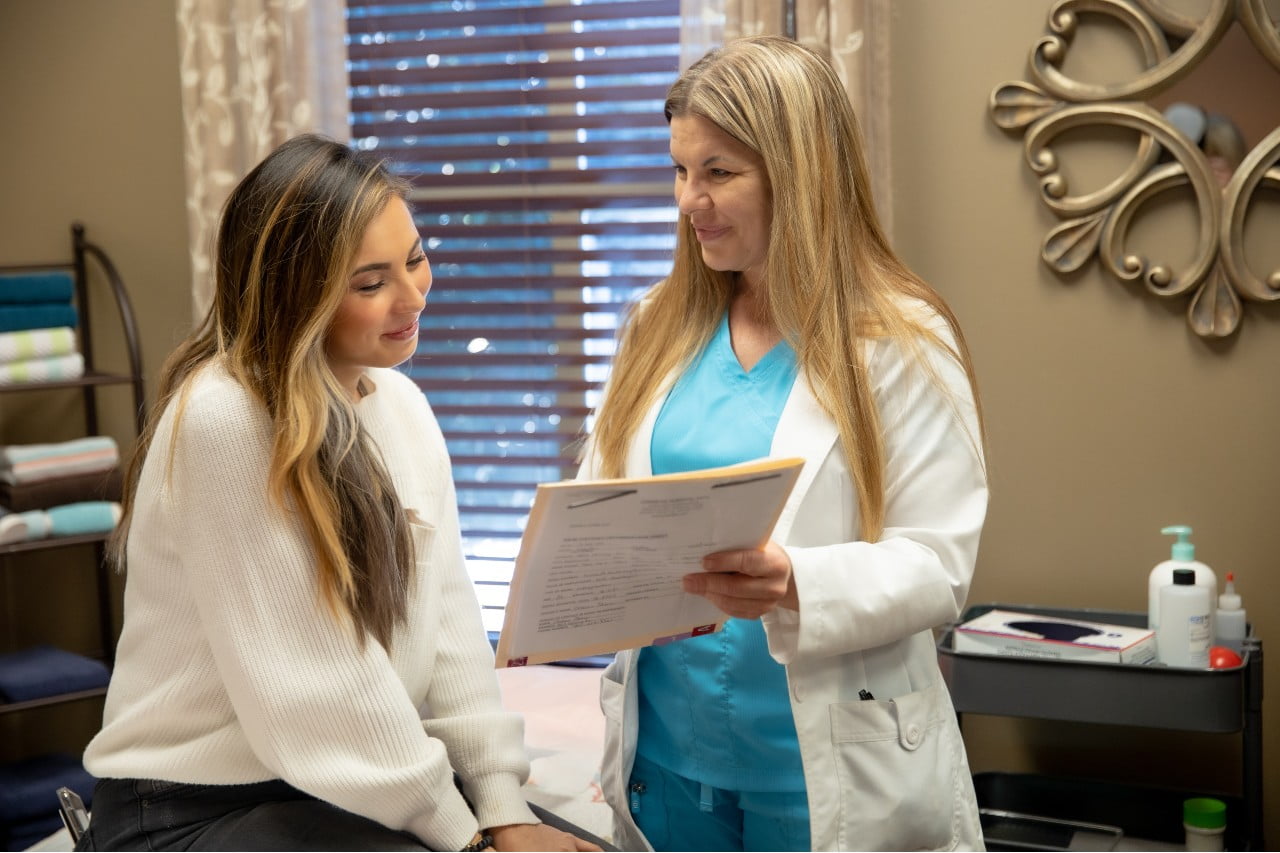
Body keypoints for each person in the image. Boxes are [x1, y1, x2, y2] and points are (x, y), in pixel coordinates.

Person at [77, 134, 604, 852]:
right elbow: (315, 693)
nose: (413, 294)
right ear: (295, 293)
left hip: (336, 783)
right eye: (370, 282)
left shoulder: (404, 407)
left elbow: (450, 629)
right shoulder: (225, 417)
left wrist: (503, 803)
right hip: (189, 809)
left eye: (415, 259)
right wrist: (467, 837)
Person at [577, 36, 989, 852]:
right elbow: (600, 503)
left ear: (800, 174)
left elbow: (938, 563)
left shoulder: (902, 338)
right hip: (666, 758)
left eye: (719, 172)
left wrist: (795, 579)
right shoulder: (656, 326)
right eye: (679, 170)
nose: (689, 199)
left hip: (827, 771)